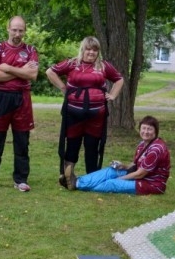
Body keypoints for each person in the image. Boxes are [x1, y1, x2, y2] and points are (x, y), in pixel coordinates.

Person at [46, 36, 124, 184]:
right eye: (88, 49)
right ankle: (68, 176)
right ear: (83, 49)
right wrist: (63, 88)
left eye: (95, 50)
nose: (91, 52)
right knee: (73, 142)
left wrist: (113, 95)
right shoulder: (72, 63)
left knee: (92, 145)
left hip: (96, 115)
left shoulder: (104, 66)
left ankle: (92, 178)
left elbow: (119, 79)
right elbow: (50, 72)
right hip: (73, 113)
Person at [0, 16, 39, 192]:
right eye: (14, 29)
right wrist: (22, 71)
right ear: (8, 28)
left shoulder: (30, 50)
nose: (17, 33)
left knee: (22, 140)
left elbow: (33, 75)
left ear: (25, 31)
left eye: (21, 30)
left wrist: (8, 68)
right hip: (1, 98)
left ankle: (21, 180)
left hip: (22, 98)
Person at [62, 116, 170, 195]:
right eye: (143, 128)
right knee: (111, 171)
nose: (146, 132)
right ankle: (77, 180)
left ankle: (76, 184)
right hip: (140, 176)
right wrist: (123, 166)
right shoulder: (143, 144)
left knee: (111, 183)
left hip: (151, 184)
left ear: (156, 131)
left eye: (149, 129)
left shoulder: (156, 149)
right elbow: (135, 165)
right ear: (140, 129)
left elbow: (139, 174)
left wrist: (121, 178)